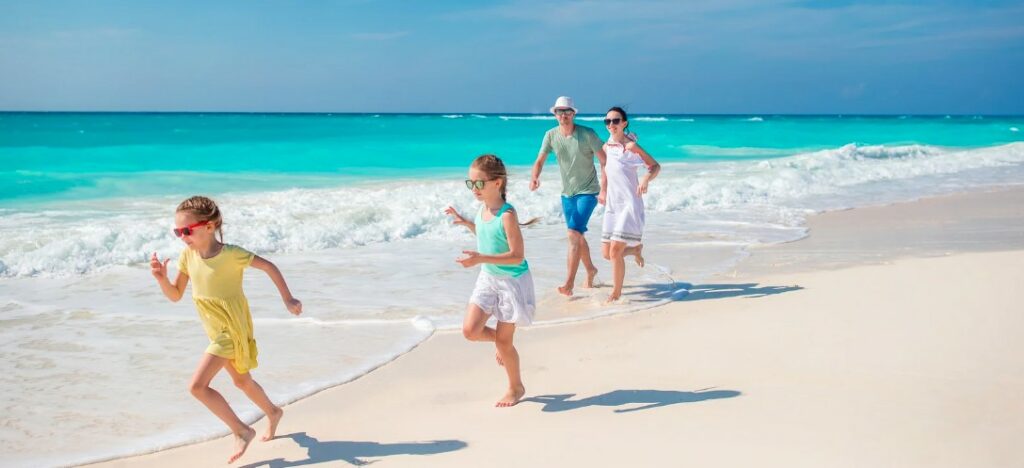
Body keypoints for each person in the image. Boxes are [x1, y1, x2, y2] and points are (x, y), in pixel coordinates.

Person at [150, 195, 302, 463]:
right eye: (178, 232)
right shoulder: (188, 256)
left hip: (231, 329)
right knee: (242, 381)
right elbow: (175, 295)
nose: (182, 237)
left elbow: (269, 267)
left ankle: (241, 431)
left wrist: (288, 298)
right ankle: (273, 412)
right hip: (214, 329)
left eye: (187, 230)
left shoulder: (231, 254)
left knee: (197, 387)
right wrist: (162, 279)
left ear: (209, 226)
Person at [445, 155, 537, 407]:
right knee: (470, 330)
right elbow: (486, 234)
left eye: (479, 183)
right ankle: (500, 339)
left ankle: (515, 387)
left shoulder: (507, 215)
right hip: (488, 278)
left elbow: (517, 255)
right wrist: (466, 223)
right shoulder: (481, 209)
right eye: (470, 184)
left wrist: (479, 258)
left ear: (497, 183)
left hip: (512, 282)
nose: (474, 189)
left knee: (504, 343)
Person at [530, 96, 608, 296]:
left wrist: (605, 189)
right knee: (577, 235)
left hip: (589, 192)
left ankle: (569, 284)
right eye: (559, 111)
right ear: (555, 114)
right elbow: (539, 160)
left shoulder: (587, 134)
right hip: (567, 194)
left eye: (567, 111)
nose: (563, 115)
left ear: (573, 113)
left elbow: (605, 161)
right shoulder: (550, 135)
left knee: (573, 234)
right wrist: (535, 177)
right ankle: (591, 269)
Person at [600, 107, 661, 303]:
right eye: (607, 121)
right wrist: (603, 189)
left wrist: (645, 179)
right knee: (607, 254)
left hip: (629, 204)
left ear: (624, 123)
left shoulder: (631, 147)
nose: (611, 125)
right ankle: (635, 250)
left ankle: (616, 293)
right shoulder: (606, 146)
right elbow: (605, 168)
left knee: (615, 251)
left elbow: (654, 166)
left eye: (615, 121)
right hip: (612, 205)